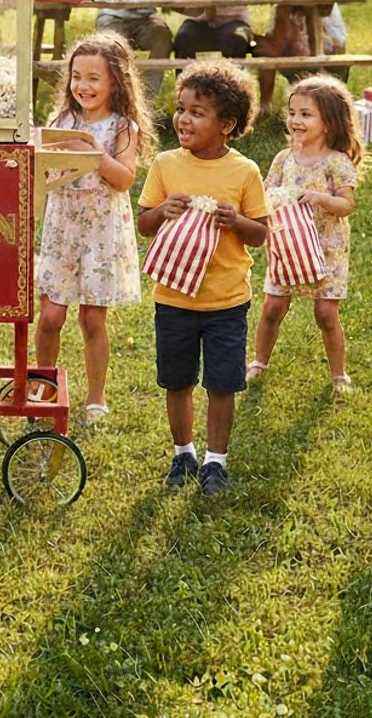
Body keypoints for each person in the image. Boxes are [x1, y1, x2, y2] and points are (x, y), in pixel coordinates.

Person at [137, 62, 268, 496]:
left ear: (226, 124)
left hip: (225, 302)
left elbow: (262, 234)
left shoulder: (244, 171)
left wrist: (235, 221)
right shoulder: (165, 165)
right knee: (177, 380)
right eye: (180, 108)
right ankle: (183, 453)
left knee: (222, 383)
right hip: (173, 298)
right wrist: (163, 211)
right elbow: (145, 224)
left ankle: (216, 460)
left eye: (197, 111)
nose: (183, 119)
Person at [35, 33, 154, 425]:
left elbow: (123, 180)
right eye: (76, 77)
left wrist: (92, 152)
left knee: (91, 318)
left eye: (93, 78)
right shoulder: (61, 121)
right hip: (63, 226)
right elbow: (45, 168)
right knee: (50, 315)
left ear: (115, 82)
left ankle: (95, 396)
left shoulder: (122, 127)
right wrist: (50, 151)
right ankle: (43, 383)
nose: (83, 86)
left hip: (101, 231)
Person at [247, 76, 363, 392]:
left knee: (325, 313)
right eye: (293, 112)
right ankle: (259, 361)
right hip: (288, 245)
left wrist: (321, 198)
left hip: (326, 247)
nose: (296, 120)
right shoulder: (284, 159)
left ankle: (339, 374)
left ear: (329, 123)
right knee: (272, 307)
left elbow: (346, 205)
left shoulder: (336, 162)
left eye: (306, 114)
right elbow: (267, 193)